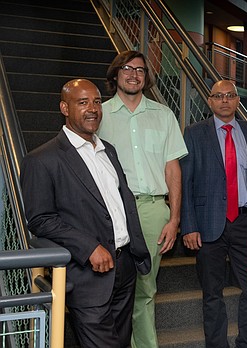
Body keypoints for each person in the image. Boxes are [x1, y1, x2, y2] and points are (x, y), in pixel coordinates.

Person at [20, 79, 151, 347]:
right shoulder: (42, 159)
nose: (92, 108)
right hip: (87, 275)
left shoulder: (108, 151)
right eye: (82, 102)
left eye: (97, 102)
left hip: (124, 268)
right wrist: (89, 247)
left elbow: (119, 203)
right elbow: (40, 219)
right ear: (64, 108)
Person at [180, 80, 247, 348]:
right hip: (207, 224)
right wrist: (188, 225)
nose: (224, 100)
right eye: (218, 96)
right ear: (210, 101)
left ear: (238, 101)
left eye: (230, 96)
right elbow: (186, 181)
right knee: (212, 294)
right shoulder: (193, 133)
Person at [97, 50, 188, 348]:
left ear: (146, 78)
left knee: (146, 289)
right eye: (127, 68)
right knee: (110, 289)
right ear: (115, 75)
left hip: (152, 211)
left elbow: (172, 169)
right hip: (111, 211)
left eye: (140, 70)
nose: (134, 74)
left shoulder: (163, 115)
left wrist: (174, 219)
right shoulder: (98, 115)